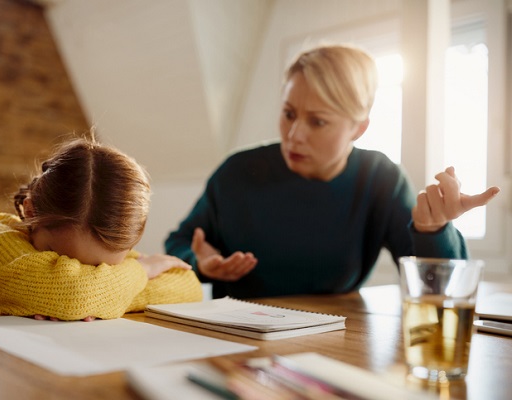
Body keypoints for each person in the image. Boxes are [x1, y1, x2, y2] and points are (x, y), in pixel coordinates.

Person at [165, 44, 500, 299]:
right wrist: (198, 262)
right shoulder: (237, 172)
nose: (294, 134)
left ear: (359, 128)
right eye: (289, 113)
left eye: (318, 121)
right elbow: (179, 242)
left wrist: (435, 230)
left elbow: (440, 289)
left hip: (339, 336)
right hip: (241, 337)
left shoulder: (380, 178)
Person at [0, 131, 202, 320]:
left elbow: (188, 286)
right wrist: (140, 272)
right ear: (32, 211)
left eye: (102, 269)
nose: (89, 273)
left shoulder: (106, 242)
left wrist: (97, 298)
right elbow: (75, 292)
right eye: (61, 260)